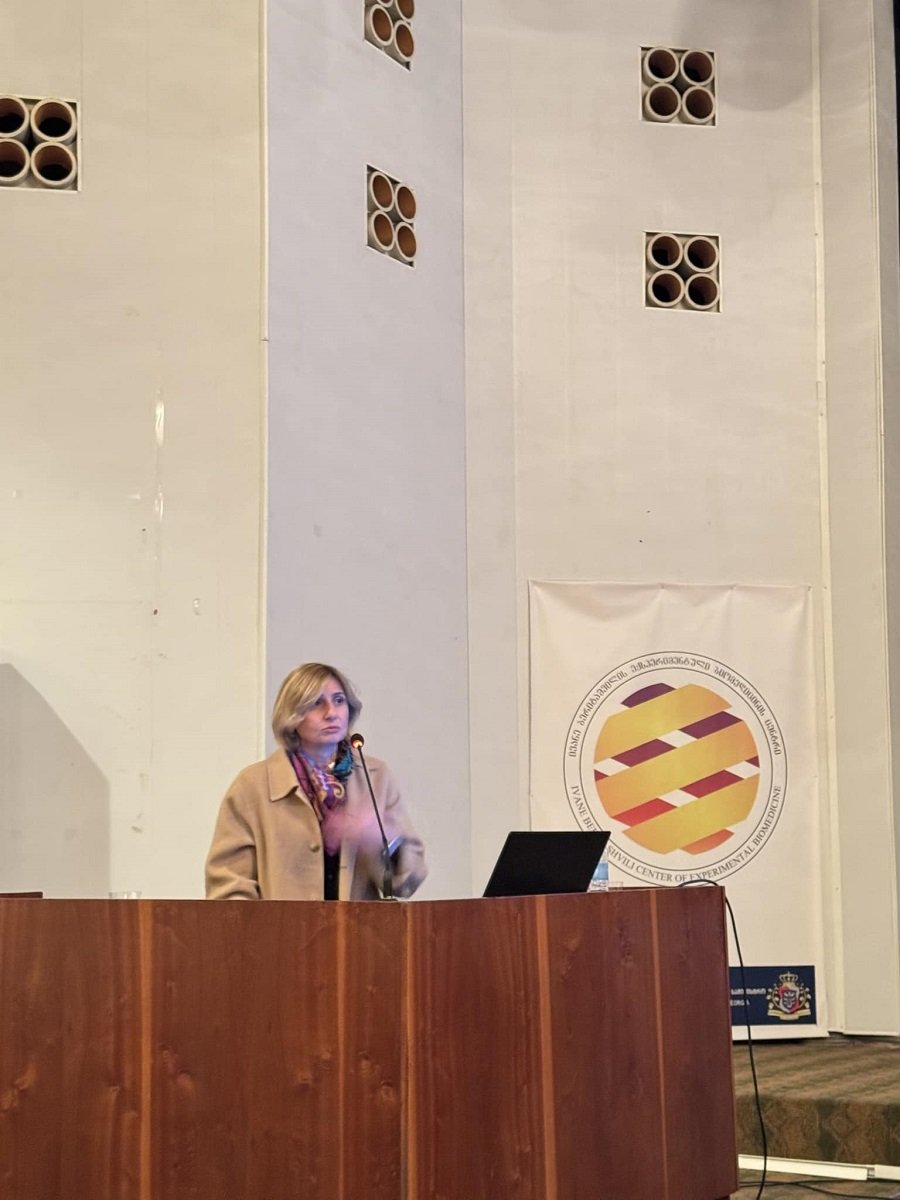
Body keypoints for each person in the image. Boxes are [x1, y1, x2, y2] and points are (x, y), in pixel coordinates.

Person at [205, 662, 427, 900]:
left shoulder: (376, 778)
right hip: (282, 926)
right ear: (292, 715)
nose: (331, 713)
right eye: (316, 703)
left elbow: (407, 883)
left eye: (339, 700)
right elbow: (229, 887)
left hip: (357, 925)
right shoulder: (252, 786)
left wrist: (381, 839)